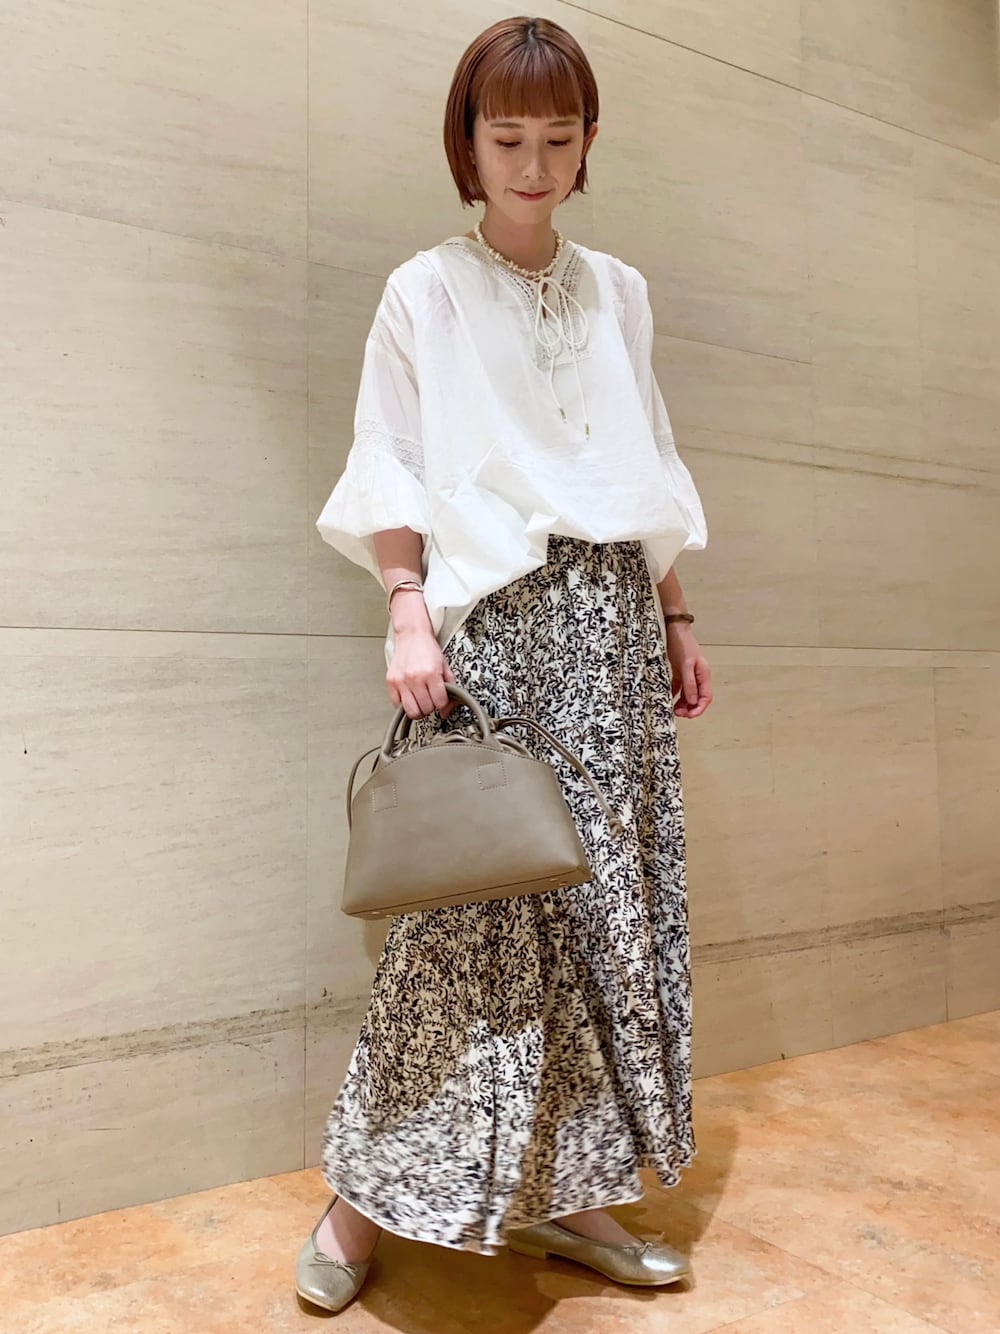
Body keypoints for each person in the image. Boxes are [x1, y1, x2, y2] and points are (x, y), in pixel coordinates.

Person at [298, 15, 713, 1314]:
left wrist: (675, 613)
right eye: (508, 137)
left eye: (558, 138)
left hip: (613, 627)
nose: (533, 165)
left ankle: (572, 1197)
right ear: (467, 147)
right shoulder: (426, 289)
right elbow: (391, 455)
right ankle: (359, 1203)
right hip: (498, 626)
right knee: (466, 923)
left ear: (588, 148)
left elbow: (645, 459)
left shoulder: (620, 292)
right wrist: (406, 608)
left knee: (603, 922)